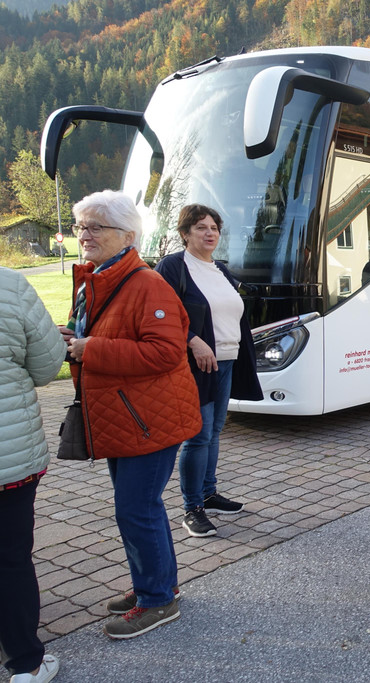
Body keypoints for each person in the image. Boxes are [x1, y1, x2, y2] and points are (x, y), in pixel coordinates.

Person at [58, 190, 201, 639]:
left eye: (96, 227)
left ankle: (157, 600)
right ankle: (156, 585)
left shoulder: (146, 284)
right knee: (139, 509)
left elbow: (165, 352)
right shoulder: (95, 279)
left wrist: (92, 348)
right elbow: (102, 333)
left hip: (149, 419)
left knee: (135, 509)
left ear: (127, 236)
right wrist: (73, 337)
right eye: (81, 226)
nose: (85, 235)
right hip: (127, 416)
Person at [155, 204, 261, 538]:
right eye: (201, 227)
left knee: (214, 431)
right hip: (196, 364)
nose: (210, 233)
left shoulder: (220, 269)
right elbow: (159, 312)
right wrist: (192, 340)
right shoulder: (174, 266)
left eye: (214, 227)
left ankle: (208, 493)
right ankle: (192, 508)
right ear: (185, 233)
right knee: (198, 435)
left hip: (226, 360)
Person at [1, 269, 65, 683]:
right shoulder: (9, 285)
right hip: (7, 455)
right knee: (10, 559)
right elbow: (46, 366)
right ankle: (26, 664)